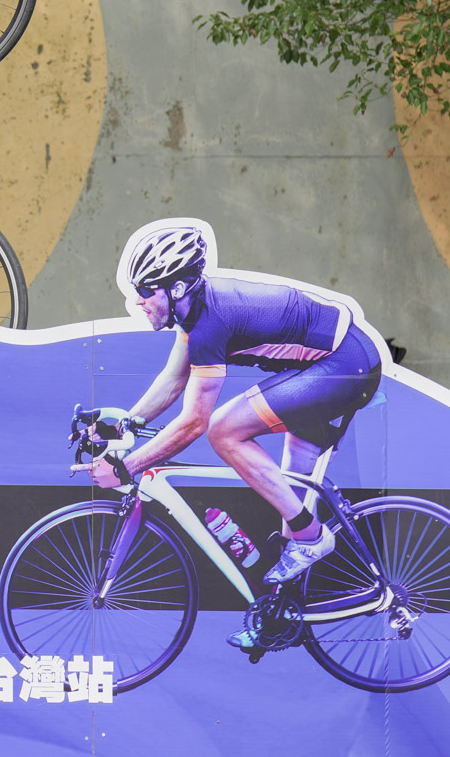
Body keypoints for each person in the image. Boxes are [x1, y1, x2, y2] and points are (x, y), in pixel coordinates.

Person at [86, 218, 388, 648]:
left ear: (176, 288)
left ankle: (312, 536)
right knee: (288, 492)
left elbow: (194, 423)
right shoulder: (194, 314)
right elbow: (172, 381)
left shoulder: (210, 322)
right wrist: (124, 424)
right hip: (331, 363)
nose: (137, 300)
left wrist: (127, 467)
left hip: (344, 365)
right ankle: (279, 617)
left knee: (225, 429)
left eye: (147, 290)